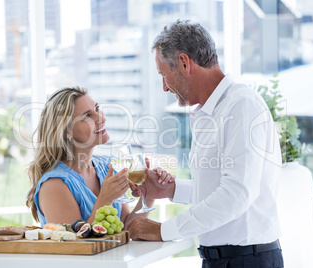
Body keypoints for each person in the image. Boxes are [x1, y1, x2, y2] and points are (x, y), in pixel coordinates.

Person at [126, 20, 284, 268]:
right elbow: (217, 189)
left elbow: (236, 195)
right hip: (222, 260)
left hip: (248, 261)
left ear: (184, 63)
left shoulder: (241, 105)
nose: (164, 87)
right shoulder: (209, 113)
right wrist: (170, 191)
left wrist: (163, 230)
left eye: (164, 75)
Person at [25, 87, 171, 226]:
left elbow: (127, 228)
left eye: (97, 109)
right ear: (66, 132)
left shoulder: (106, 167)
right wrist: (105, 199)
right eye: (87, 116)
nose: (101, 118)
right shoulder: (54, 185)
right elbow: (74, 246)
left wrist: (149, 194)